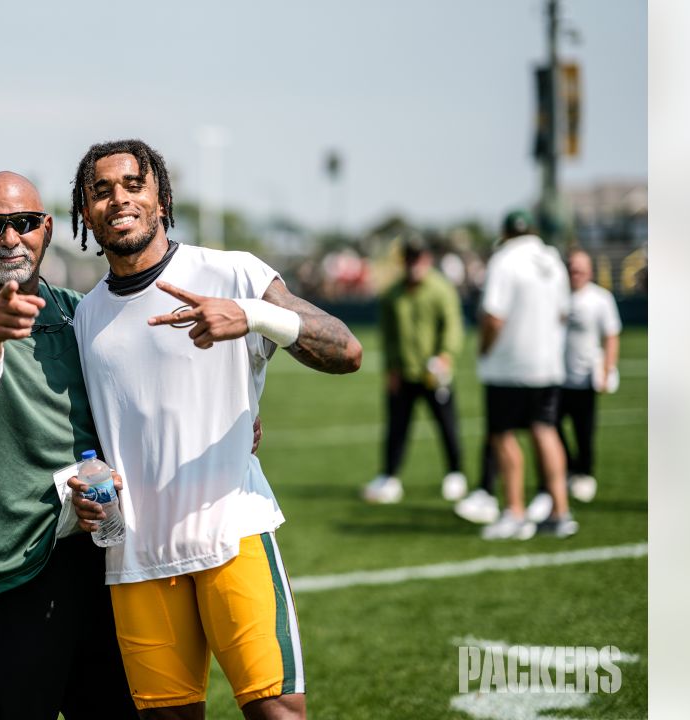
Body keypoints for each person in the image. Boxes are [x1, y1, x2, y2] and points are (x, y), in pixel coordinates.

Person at [66, 139, 362, 719]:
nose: (117, 200)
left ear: (161, 198)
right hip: (137, 558)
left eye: (133, 185)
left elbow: (346, 352)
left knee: (278, 713)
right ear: (85, 212)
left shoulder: (231, 271)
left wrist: (251, 314)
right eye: (99, 191)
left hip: (233, 536)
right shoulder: (85, 316)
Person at [0, 172, 137, 719]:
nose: (10, 238)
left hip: (102, 562)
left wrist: (235, 415)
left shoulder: (78, 309)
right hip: (5, 574)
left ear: (47, 229)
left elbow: (141, 390)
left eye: (25, 223)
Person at [471, 209, 577, 540]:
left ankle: (515, 512)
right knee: (545, 431)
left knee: (503, 436)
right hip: (547, 364)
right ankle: (560, 512)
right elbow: (563, 313)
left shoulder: (504, 260)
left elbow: (493, 317)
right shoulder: (552, 260)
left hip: (510, 366)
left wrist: (484, 350)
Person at [362, 233, 468, 504]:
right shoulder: (392, 294)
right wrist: (391, 369)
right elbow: (388, 336)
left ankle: (456, 474)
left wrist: (446, 355)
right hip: (404, 372)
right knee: (397, 428)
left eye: (418, 257)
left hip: (435, 372)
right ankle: (390, 476)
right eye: (409, 258)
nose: (414, 263)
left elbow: (453, 326)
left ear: (427, 258)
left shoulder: (441, 289)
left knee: (447, 425)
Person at [520, 249, 623, 516]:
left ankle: (584, 473)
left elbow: (611, 336)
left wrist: (607, 368)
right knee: (550, 428)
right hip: (555, 377)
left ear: (589, 271)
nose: (575, 274)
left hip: (584, 378)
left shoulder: (600, 300)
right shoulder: (555, 297)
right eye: (571, 269)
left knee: (584, 431)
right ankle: (565, 470)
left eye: (579, 269)